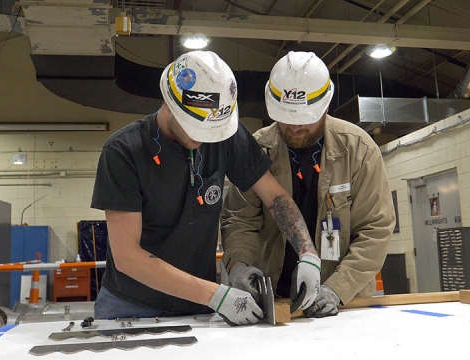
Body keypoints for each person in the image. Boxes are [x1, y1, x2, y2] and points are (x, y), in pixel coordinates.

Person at [90, 51, 321, 325]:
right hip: (130, 306)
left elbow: (275, 196)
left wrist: (308, 252)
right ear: (169, 104)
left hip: (197, 305)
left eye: (213, 132)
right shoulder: (123, 152)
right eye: (197, 130)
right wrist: (216, 295)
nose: (206, 139)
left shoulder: (221, 132)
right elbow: (128, 256)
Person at [221, 51, 395, 318]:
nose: (293, 127)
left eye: (304, 118)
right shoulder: (256, 151)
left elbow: (376, 228)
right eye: (285, 117)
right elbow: (239, 221)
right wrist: (239, 265)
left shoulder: (358, 150)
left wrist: (337, 289)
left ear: (325, 106)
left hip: (342, 303)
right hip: (274, 300)